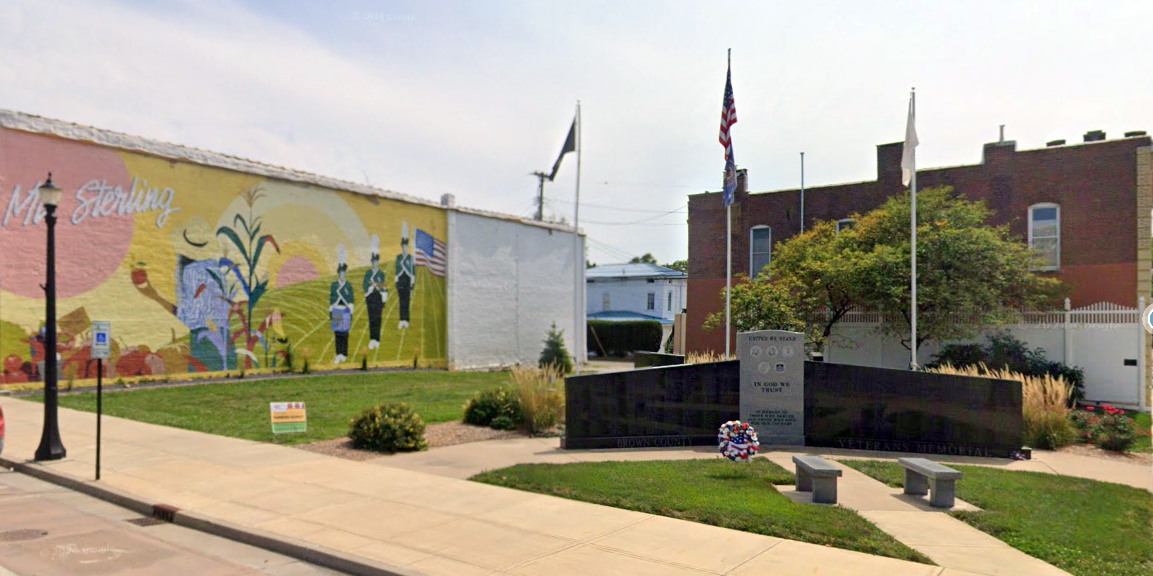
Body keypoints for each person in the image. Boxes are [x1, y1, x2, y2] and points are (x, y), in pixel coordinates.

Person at [329, 244, 354, 363]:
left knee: (345, 334)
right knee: (338, 334)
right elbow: (332, 298)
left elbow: (350, 299)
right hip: (337, 309)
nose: (342, 274)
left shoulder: (348, 286)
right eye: (341, 272)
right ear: (338, 273)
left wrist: (349, 306)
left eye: (344, 272)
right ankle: (338, 353)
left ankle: (344, 353)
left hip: (345, 309)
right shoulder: (334, 285)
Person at [363, 234, 388, 349]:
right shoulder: (368, 273)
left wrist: (376, 285)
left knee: (378, 318)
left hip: (378, 298)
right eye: (373, 261)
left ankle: (377, 339)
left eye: (376, 261)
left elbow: (384, 286)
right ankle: (372, 339)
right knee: (371, 318)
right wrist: (371, 287)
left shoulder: (381, 274)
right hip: (370, 298)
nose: (375, 263)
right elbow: (365, 286)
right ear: (372, 262)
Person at [395, 223, 416, 330]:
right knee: (401, 301)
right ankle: (401, 320)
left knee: (406, 301)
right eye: (403, 246)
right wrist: (396, 282)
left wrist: (412, 286)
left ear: (407, 246)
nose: (404, 248)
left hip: (407, 281)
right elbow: (397, 270)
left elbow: (412, 273)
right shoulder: (399, 257)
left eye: (405, 246)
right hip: (401, 281)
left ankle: (406, 320)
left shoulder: (410, 258)